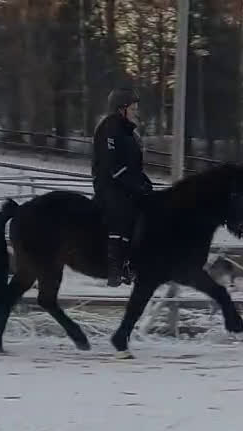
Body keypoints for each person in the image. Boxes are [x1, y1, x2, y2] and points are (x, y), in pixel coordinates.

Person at [92, 87, 154, 287]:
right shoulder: (108, 129)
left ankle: (134, 262)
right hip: (109, 185)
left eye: (136, 108)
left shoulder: (131, 134)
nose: (136, 111)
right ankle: (114, 268)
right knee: (121, 213)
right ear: (121, 109)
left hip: (126, 185)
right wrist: (135, 184)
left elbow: (134, 166)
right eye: (133, 108)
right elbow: (113, 166)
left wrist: (145, 183)